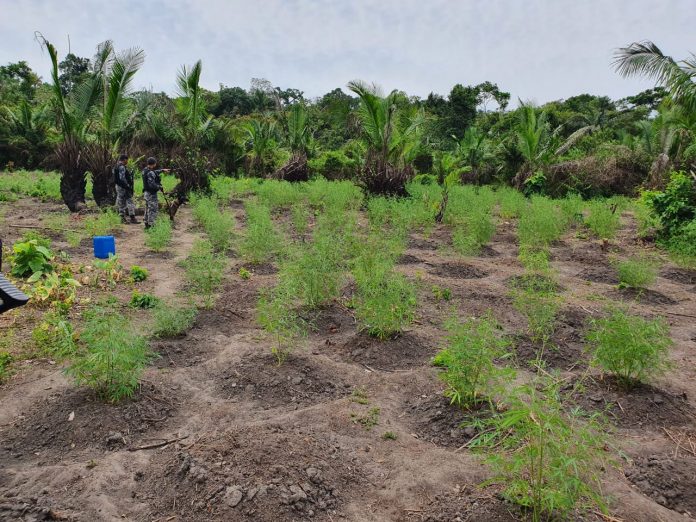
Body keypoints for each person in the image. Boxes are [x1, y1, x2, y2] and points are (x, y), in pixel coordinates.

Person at [142, 157, 170, 229]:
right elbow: (152, 184)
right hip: (151, 194)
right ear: (154, 164)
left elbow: (154, 172)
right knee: (153, 209)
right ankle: (152, 225)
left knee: (148, 208)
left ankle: (146, 223)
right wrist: (159, 187)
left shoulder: (145, 170)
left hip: (146, 193)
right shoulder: (150, 172)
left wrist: (162, 170)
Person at [114, 154, 138, 224]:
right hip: (123, 187)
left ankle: (122, 218)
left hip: (119, 186)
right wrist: (127, 186)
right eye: (127, 160)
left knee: (121, 202)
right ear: (124, 159)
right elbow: (122, 178)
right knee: (130, 201)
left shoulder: (116, 166)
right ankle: (132, 218)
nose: (127, 161)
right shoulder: (121, 167)